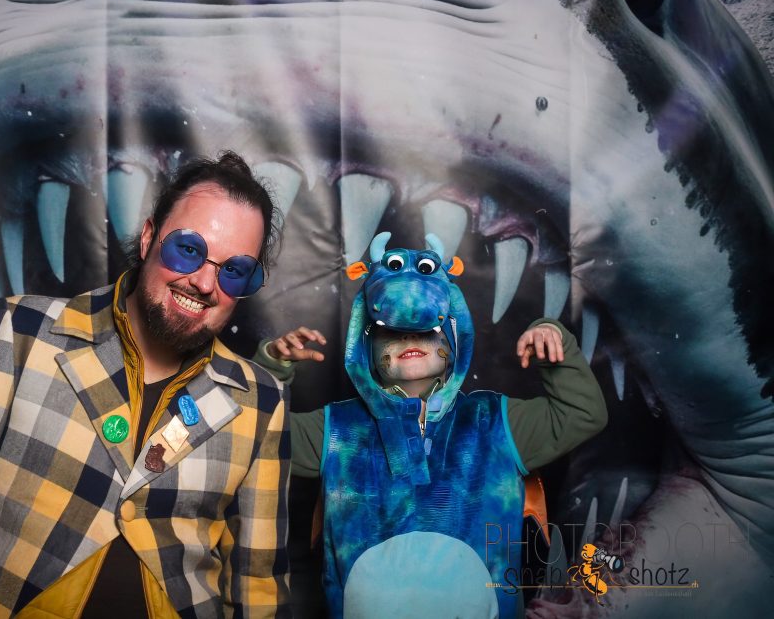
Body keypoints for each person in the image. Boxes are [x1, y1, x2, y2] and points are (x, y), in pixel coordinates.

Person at [0, 152, 291, 619]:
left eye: (234, 270)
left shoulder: (261, 401)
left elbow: (258, 584)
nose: (203, 282)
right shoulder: (21, 332)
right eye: (189, 249)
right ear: (148, 238)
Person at [254, 232, 606, 619]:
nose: (409, 336)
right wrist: (272, 367)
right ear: (366, 346)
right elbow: (254, 434)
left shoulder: (495, 423)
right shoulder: (337, 430)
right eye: (391, 330)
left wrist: (554, 343)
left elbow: (583, 413)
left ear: (452, 341)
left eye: (427, 330)